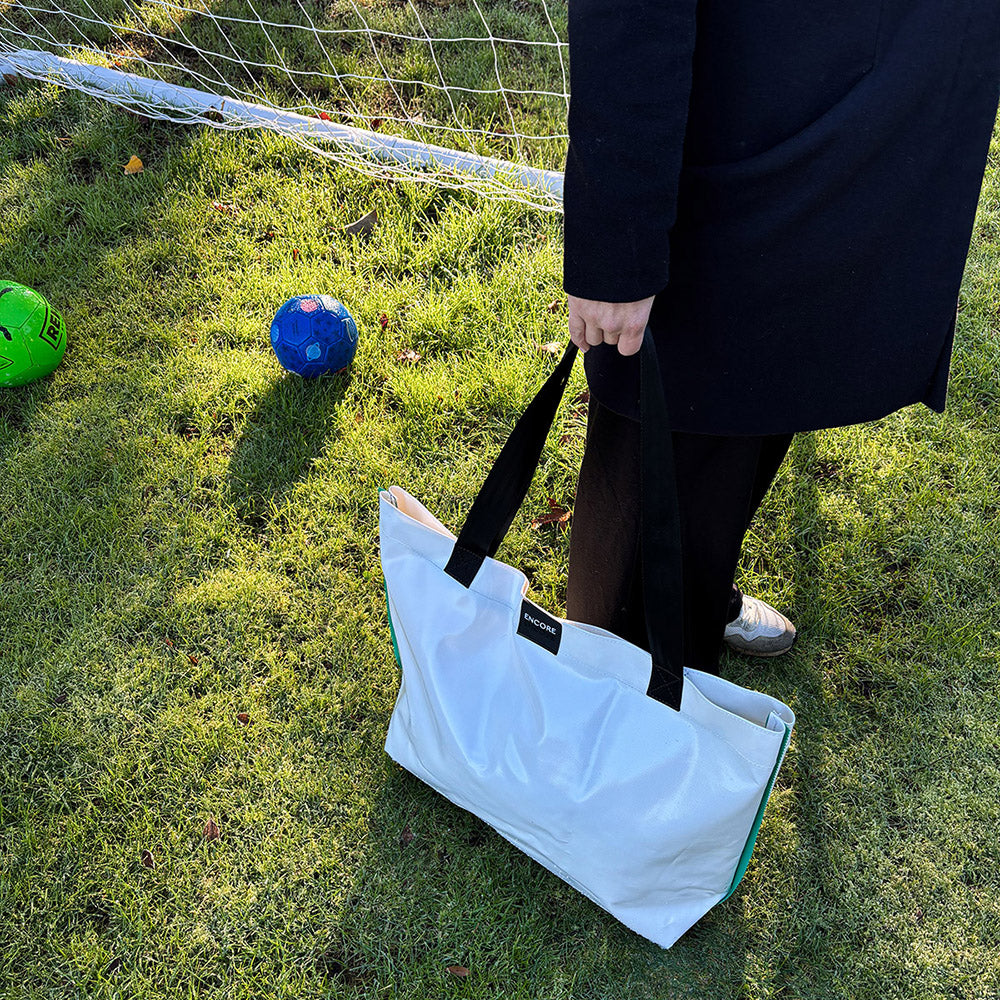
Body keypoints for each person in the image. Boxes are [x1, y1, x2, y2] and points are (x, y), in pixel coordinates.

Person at [561, 1, 1000, 673]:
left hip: (860, 117)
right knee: (679, 420)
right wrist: (618, 246)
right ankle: (613, 684)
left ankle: (697, 596)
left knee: (772, 389)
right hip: (735, 140)